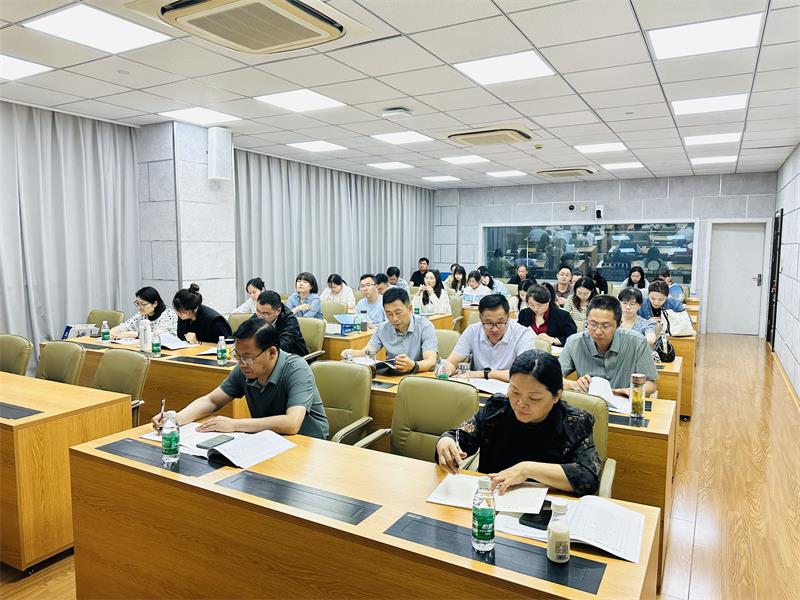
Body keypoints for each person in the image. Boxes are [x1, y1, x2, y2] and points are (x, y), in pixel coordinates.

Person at [436, 350, 601, 496]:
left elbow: (587, 477)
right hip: (491, 501)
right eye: (515, 392)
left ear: (556, 396)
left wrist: (527, 470)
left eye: (534, 398)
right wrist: (446, 441)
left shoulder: (575, 422)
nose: (521, 403)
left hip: (547, 508)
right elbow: (460, 437)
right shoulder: (497, 409)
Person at [152, 319, 328, 438]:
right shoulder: (244, 369)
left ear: (272, 352)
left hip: (309, 441)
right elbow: (212, 400)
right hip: (270, 439)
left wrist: (235, 425)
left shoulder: (296, 368)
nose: (242, 363)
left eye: (248, 357)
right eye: (238, 355)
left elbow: (292, 423)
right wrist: (176, 419)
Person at [559, 295, 658, 397]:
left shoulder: (637, 342)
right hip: (589, 403)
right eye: (593, 324)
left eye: (605, 326)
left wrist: (630, 391)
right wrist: (573, 384)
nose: (598, 332)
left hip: (623, 401)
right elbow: (553, 378)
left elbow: (651, 384)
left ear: (619, 324)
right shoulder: (574, 342)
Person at [342, 288, 437, 373]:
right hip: (393, 376)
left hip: (419, 376)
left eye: (398, 312)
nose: (394, 319)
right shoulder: (382, 329)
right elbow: (367, 352)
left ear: (409, 308)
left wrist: (412, 365)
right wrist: (349, 354)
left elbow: (430, 361)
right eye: (389, 314)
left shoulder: (425, 326)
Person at [443, 294, 535, 382]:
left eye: (500, 323)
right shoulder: (472, 331)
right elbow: (451, 361)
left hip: (510, 389)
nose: (495, 329)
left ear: (508, 317)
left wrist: (485, 374)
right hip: (477, 388)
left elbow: (523, 374)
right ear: (480, 318)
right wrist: (448, 369)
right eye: (488, 323)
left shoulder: (523, 334)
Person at [254, 291, 309, 357]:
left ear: (278, 311)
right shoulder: (258, 315)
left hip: (293, 357)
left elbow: (283, 345)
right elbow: (245, 333)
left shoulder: (290, 320)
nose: (260, 316)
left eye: (265, 313)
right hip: (268, 356)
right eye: (258, 311)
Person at [111, 286, 178, 339]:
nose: (139, 307)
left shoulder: (168, 315)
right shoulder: (141, 315)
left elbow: (157, 336)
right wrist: (108, 334)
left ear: (155, 303)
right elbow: (124, 327)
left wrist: (132, 334)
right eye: (138, 303)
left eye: (143, 304)